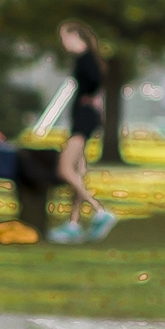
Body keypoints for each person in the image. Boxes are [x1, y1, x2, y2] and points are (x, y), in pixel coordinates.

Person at [51, 22, 116, 243]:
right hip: (84, 119)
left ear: (76, 37)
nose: (63, 43)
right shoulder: (89, 59)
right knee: (78, 170)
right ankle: (73, 223)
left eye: (65, 38)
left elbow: (95, 81)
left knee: (64, 169)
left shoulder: (85, 59)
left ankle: (99, 211)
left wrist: (90, 96)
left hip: (83, 121)